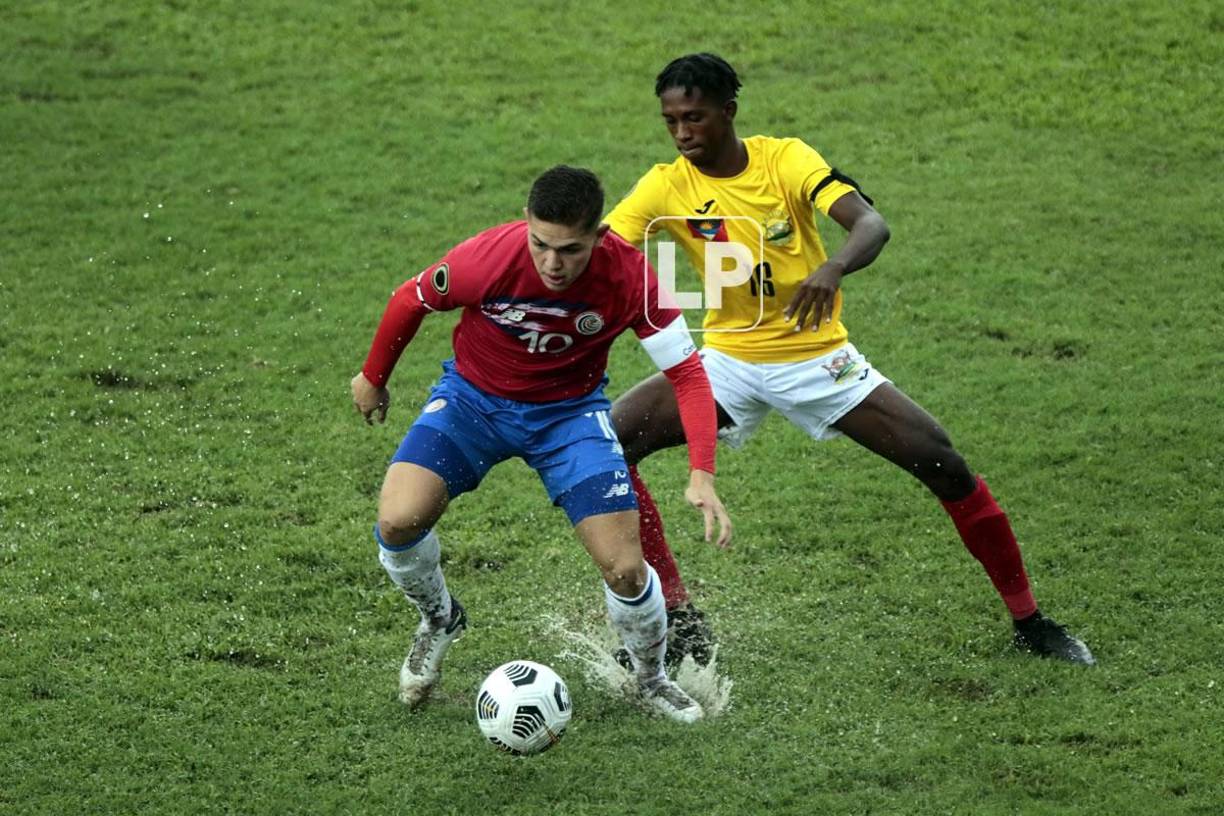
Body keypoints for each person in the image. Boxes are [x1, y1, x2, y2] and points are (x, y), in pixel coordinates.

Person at [604, 53, 1094, 666]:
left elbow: (870, 224)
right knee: (609, 446)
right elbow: (601, 251)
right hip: (726, 360)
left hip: (816, 358)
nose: (682, 134)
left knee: (944, 464)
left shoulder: (786, 159)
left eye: (695, 118)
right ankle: (676, 613)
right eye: (671, 121)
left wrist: (832, 267)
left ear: (728, 112)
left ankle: (1031, 622)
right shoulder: (665, 183)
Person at [350, 165, 733, 724]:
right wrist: (373, 375)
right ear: (525, 223)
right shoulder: (487, 258)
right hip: (472, 404)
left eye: (570, 250)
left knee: (626, 570)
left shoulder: (632, 279)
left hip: (569, 418)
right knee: (397, 522)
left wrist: (701, 471)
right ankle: (438, 619)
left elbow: (690, 376)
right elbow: (412, 300)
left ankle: (650, 679)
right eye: (541, 245)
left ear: (600, 237)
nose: (552, 264)